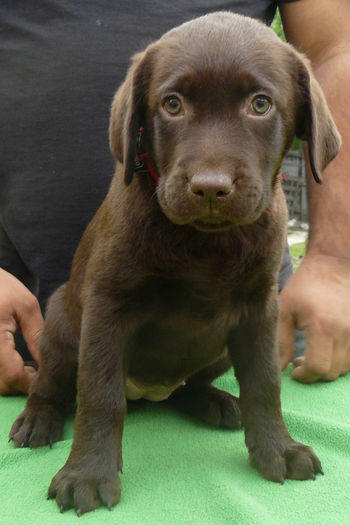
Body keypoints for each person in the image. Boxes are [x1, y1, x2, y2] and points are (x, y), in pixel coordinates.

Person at [0, 0, 349, 395]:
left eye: (260, 104)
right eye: (172, 104)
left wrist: (334, 260)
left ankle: (193, 392)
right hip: (31, 323)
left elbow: (336, 48)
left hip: (244, 314)